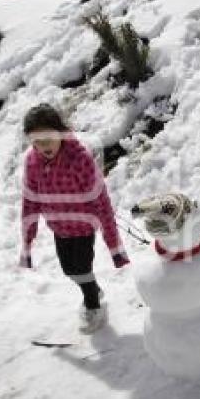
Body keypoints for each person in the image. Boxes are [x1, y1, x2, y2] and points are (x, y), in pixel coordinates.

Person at [19, 103, 129, 333]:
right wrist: (27, 240)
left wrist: (114, 245)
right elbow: (30, 201)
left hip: (82, 228)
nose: (43, 146)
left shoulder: (80, 159)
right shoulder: (32, 162)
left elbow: (101, 201)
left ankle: (93, 307)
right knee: (70, 271)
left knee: (81, 268)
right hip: (59, 228)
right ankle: (94, 290)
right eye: (36, 141)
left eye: (48, 137)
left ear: (61, 132)